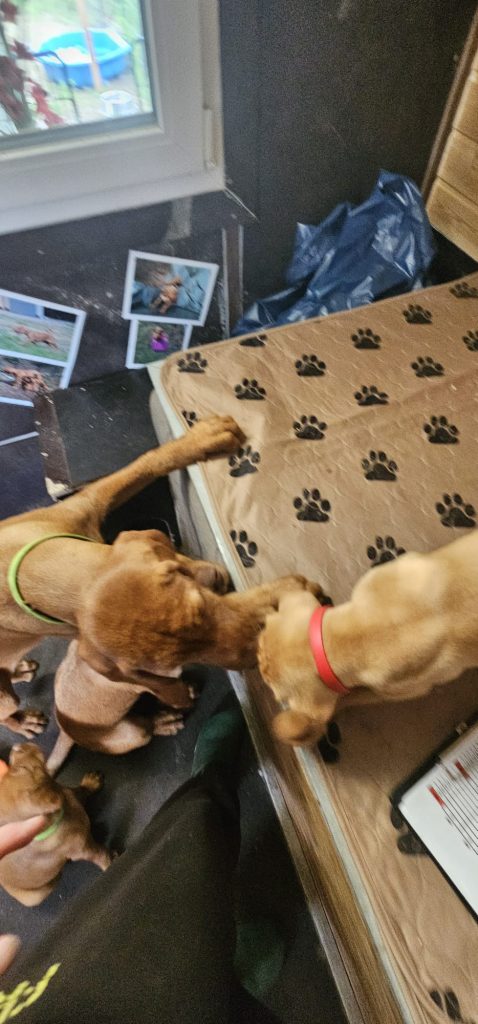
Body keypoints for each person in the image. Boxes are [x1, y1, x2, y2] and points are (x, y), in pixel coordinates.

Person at [0, 706, 282, 1023]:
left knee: (183, 837)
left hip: (38, 992)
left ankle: (210, 780)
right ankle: (230, 982)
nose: (17, 750)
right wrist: (111, 866)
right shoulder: (63, 832)